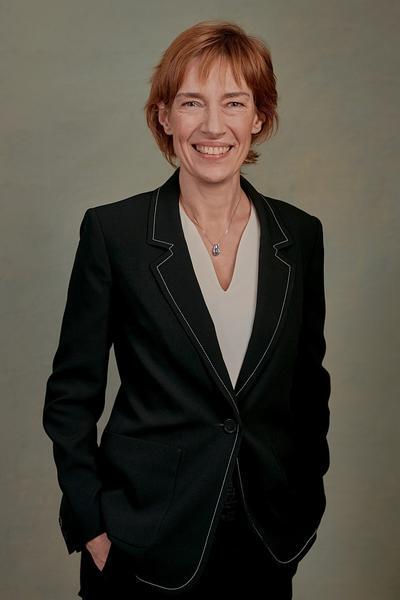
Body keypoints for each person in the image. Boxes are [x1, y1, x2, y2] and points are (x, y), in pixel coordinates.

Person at [43, 19, 331, 599]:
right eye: (192, 102)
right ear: (165, 117)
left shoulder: (299, 236)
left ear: (259, 117)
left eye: (234, 103)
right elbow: (71, 395)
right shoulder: (115, 233)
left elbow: (308, 387)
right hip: (141, 538)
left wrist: (304, 503)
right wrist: (92, 523)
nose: (213, 125)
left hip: (266, 539)